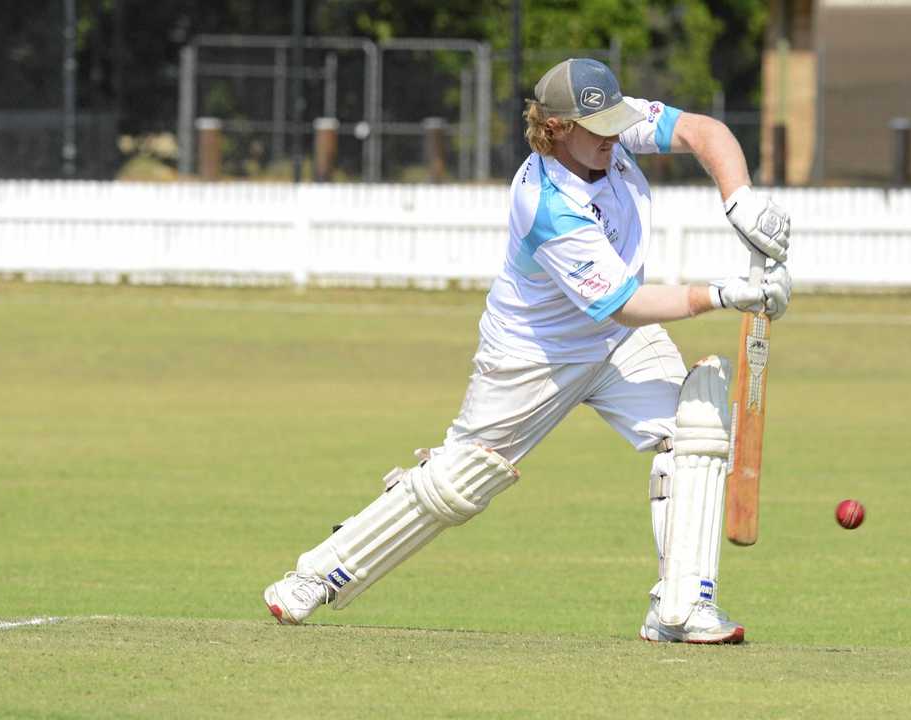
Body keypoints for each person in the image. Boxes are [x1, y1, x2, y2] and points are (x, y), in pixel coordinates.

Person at [264, 58, 792, 643]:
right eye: (599, 128)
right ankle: (316, 576)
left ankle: (681, 608)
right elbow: (621, 301)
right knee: (458, 483)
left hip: (619, 345)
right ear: (558, 127)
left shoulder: (608, 127)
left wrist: (739, 199)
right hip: (533, 355)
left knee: (694, 430)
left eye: (618, 122)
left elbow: (703, 132)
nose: (615, 137)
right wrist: (723, 294)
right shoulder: (544, 203)